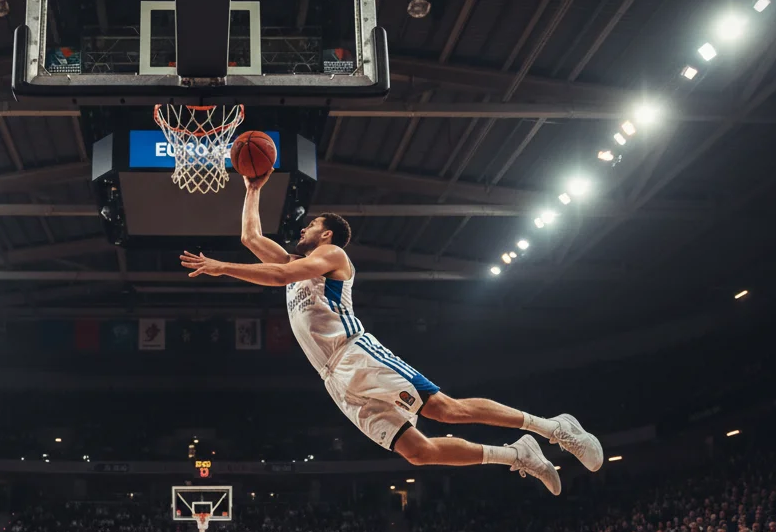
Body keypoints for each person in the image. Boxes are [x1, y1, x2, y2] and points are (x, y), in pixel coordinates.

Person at [179, 176, 604, 494]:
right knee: (418, 452)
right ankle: (518, 455)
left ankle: (556, 429)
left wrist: (223, 267)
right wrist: (253, 186)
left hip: (355, 354)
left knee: (445, 410)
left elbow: (281, 274)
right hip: (334, 379)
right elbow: (250, 237)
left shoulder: (331, 255)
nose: (304, 228)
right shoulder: (296, 261)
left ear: (326, 234)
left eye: (311, 224)